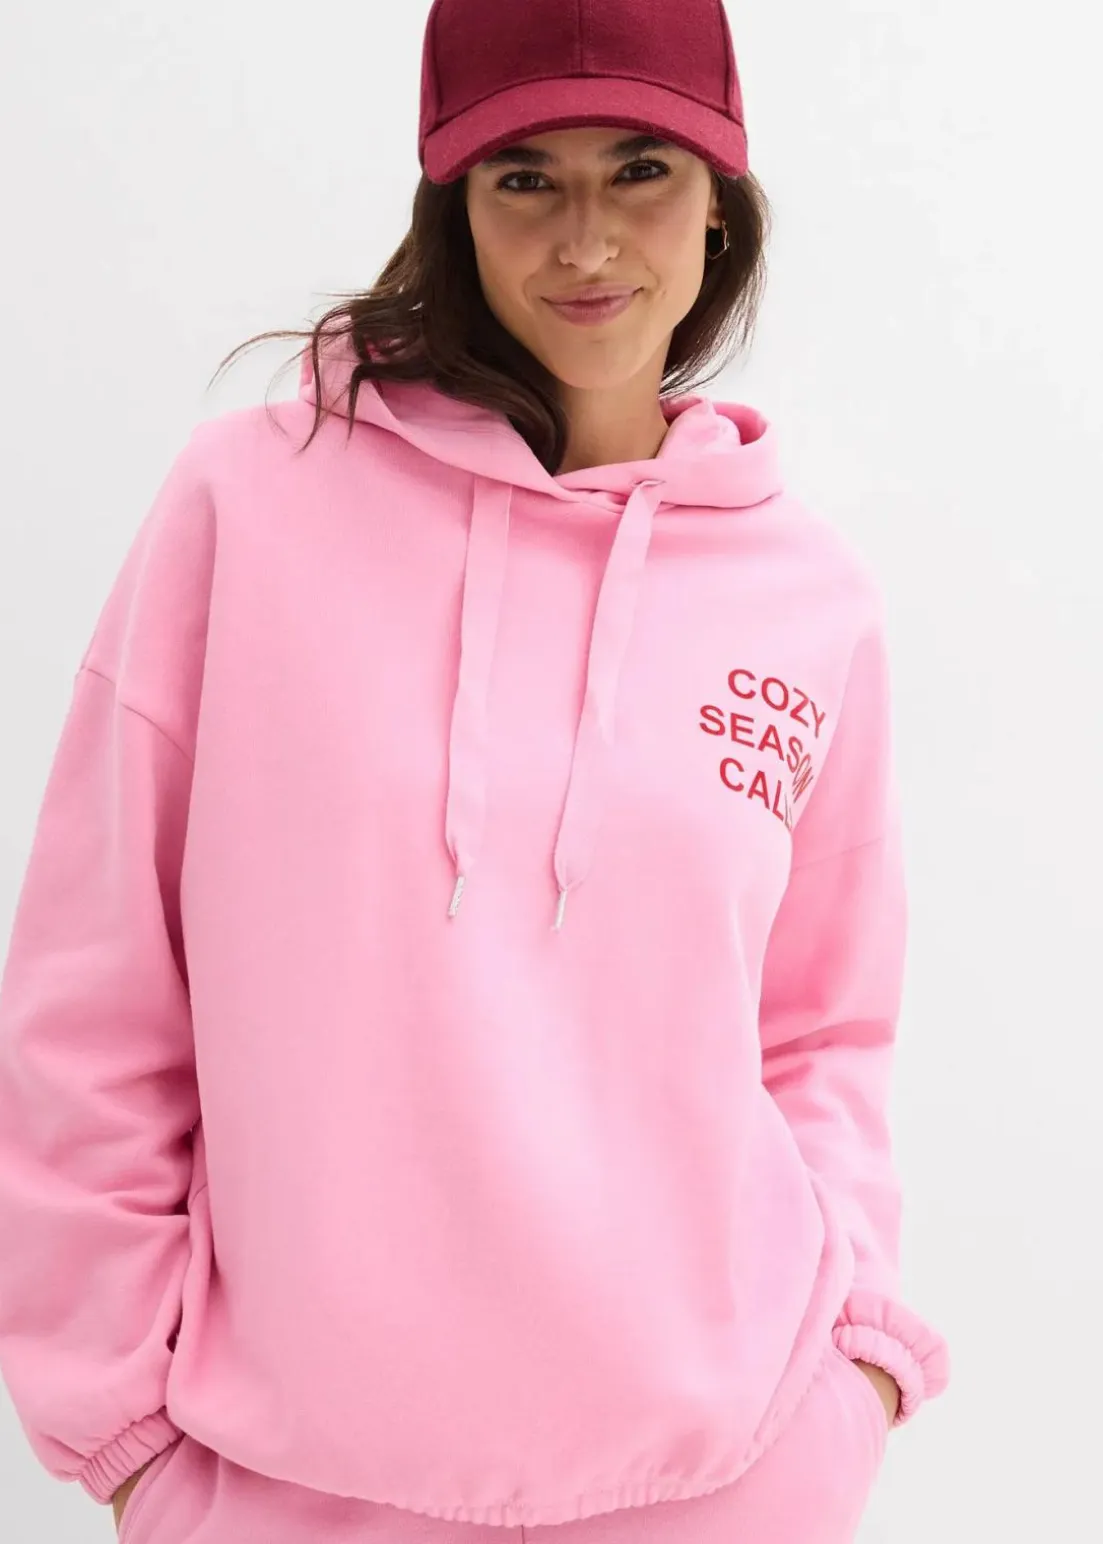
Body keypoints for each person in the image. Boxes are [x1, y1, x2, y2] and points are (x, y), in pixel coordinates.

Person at [0, 1, 950, 1540]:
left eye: (638, 169)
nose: (586, 239)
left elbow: (823, 1030)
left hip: (725, 1480)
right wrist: (124, 1434)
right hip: (291, 1486)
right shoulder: (250, 506)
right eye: (524, 179)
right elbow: (94, 985)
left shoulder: (806, 596)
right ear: (452, 210)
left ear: (720, 204)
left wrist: (854, 1380)